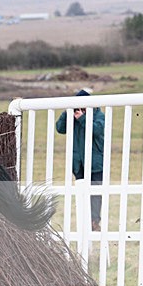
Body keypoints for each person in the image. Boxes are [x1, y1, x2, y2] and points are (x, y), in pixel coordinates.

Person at [55, 89, 105, 231]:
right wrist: (67, 113)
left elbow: (97, 130)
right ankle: (84, 222)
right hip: (78, 163)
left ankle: (94, 221)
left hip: (95, 162)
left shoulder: (98, 115)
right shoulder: (72, 115)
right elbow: (60, 128)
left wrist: (82, 118)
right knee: (81, 194)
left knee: (95, 193)